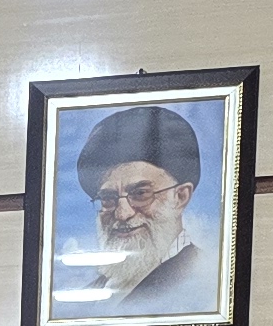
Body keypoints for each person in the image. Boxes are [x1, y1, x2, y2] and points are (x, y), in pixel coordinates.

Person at [61, 104, 209, 314]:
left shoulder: (203, 279)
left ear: (180, 197)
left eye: (140, 194)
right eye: (108, 198)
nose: (122, 214)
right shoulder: (86, 298)